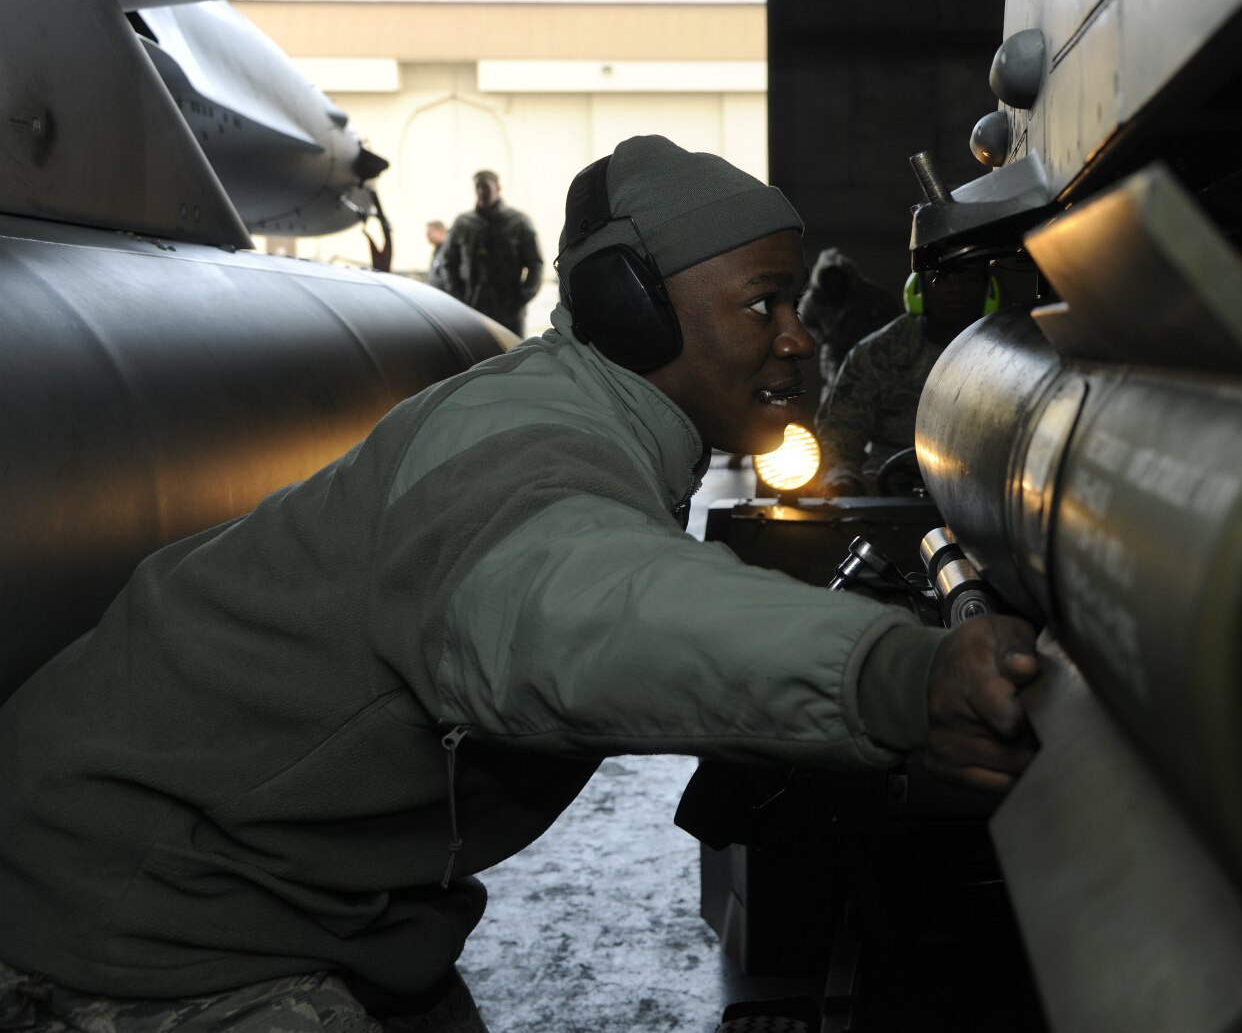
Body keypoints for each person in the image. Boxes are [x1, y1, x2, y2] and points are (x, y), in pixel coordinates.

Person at [0, 135, 1040, 1032]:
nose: (798, 335)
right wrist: (893, 674)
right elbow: (589, 608)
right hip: (132, 904)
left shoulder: (603, 426)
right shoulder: (523, 443)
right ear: (630, 312)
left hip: (308, 894)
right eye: (761, 303)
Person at [815, 265, 993, 496]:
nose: (956, 289)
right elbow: (840, 431)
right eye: (942, 279)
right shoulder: (879, 351)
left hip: (981, 490)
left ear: (988, 291)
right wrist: (842, 481)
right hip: (888, 492)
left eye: (970, 278)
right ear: (918, 289)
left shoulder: (1012, 354)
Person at [440, 170, 543, 335]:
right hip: (472, 311)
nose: (481, 191)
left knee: (512, 356)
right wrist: (458, 297)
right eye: (478, 187)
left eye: (486, 187)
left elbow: (535, 264)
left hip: (509, 313)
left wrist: (522, 298)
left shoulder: (518, 221)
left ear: (498, 189)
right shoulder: (463, 223)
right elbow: (447, 262)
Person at [796, 247, 900, 388]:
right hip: (834, 352)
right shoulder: (814, 299)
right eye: (829, 277)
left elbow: (890, 310)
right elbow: (802, 322)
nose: (834, 282)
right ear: (822, 278)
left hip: (864, 348)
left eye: (837, 276)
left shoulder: (863, 292)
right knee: (836, 387)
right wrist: (822, 336)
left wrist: (874, 332)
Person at [424, 218, 450, 290]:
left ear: (440, 232)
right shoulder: (437, 250)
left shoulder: (448, 250)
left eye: (430, 233)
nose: (428, 236)